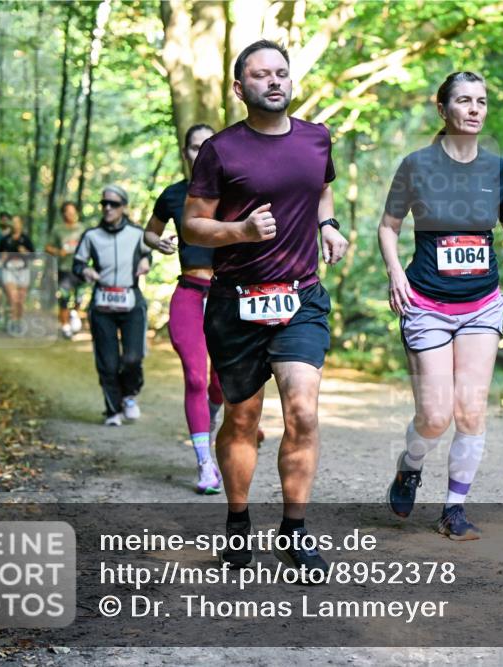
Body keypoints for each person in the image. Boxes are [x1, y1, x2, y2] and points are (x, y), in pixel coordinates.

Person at [183, 39, 348, 576]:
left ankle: (294, 532)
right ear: (240, 88)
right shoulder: (220, 151)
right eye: (260, 75)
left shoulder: (317, 138)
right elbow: (193, 224)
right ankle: (237, 524)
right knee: (242, 417)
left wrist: (328, 226)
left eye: (281, 72)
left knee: (303, 411)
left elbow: (321, 189)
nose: (274, 81)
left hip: (301, 296)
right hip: (236, 302)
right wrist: (241, 231)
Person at [379, 72, 503, 540]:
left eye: (482, 101)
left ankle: (453, 509)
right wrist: (395, 272)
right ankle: (410, 465)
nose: (475, 109)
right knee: (435, 416)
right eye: (464, 101)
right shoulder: (417, 166)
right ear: (443, 109)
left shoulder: (499, 170)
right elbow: (389, 227)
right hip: (426, 303)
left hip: (481, 305)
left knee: (471, 411)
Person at [145, 123, 263, 495]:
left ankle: (213, 421)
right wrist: (159, 243)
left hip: (228, 295)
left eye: (208, 146)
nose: (201, 153)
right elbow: (149, 231)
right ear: (185, 153)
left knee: (219, 383)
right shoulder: (173, 194)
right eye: (195, 147)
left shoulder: (236, 192)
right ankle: (204, 463)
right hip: (189, 293)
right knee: (196, 378)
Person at [73, 185, 152, 426]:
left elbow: (148, 253)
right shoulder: (91, 236)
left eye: (114, 204)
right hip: (102, 305)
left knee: (132, 357)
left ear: (123, 207)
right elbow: (77, 263)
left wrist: (146, 262)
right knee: (107, 362)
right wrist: (85, 271)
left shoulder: (137, 233)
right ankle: (112, 410)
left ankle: (129, 395)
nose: (108, 208)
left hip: (131, 303)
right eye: (104, 203)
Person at [46, 201, 85, 339]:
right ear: (63, 214)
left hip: (80, 268)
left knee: (79, 297)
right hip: (64, 268)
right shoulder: (58, 230)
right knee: (64, 297)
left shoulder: (82, 228)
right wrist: (58, 251)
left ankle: (74, 315)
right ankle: (65, 326)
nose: (71, 215)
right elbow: (48, 247)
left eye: (73, 212)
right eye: (68, 212)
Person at [0, 215, 35, 334]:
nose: (15, 225)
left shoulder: (26, 239)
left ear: (21, 224)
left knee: (20, 300)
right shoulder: (5, 240)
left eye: (17, 222)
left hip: (23, 271)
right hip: (9, 271)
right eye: (13, 222)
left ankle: (19, 322)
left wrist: (25, 252)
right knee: (13, 297)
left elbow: (33, 256)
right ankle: (13, 322)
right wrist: (2, 258)